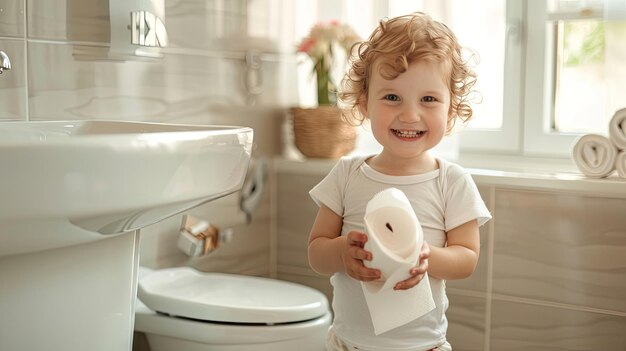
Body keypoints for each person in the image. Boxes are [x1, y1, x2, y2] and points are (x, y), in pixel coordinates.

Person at [307, 12, 492, 351]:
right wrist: (340, 252)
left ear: (451, 110)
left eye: (428, 99)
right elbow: (316, 252)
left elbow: (466, 258)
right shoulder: (347, 174)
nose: (410, 114)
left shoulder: (451, 181)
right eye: (392, 97)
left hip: (422, 346)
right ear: (365, 103)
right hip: (349, 344)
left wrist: (427, 256)